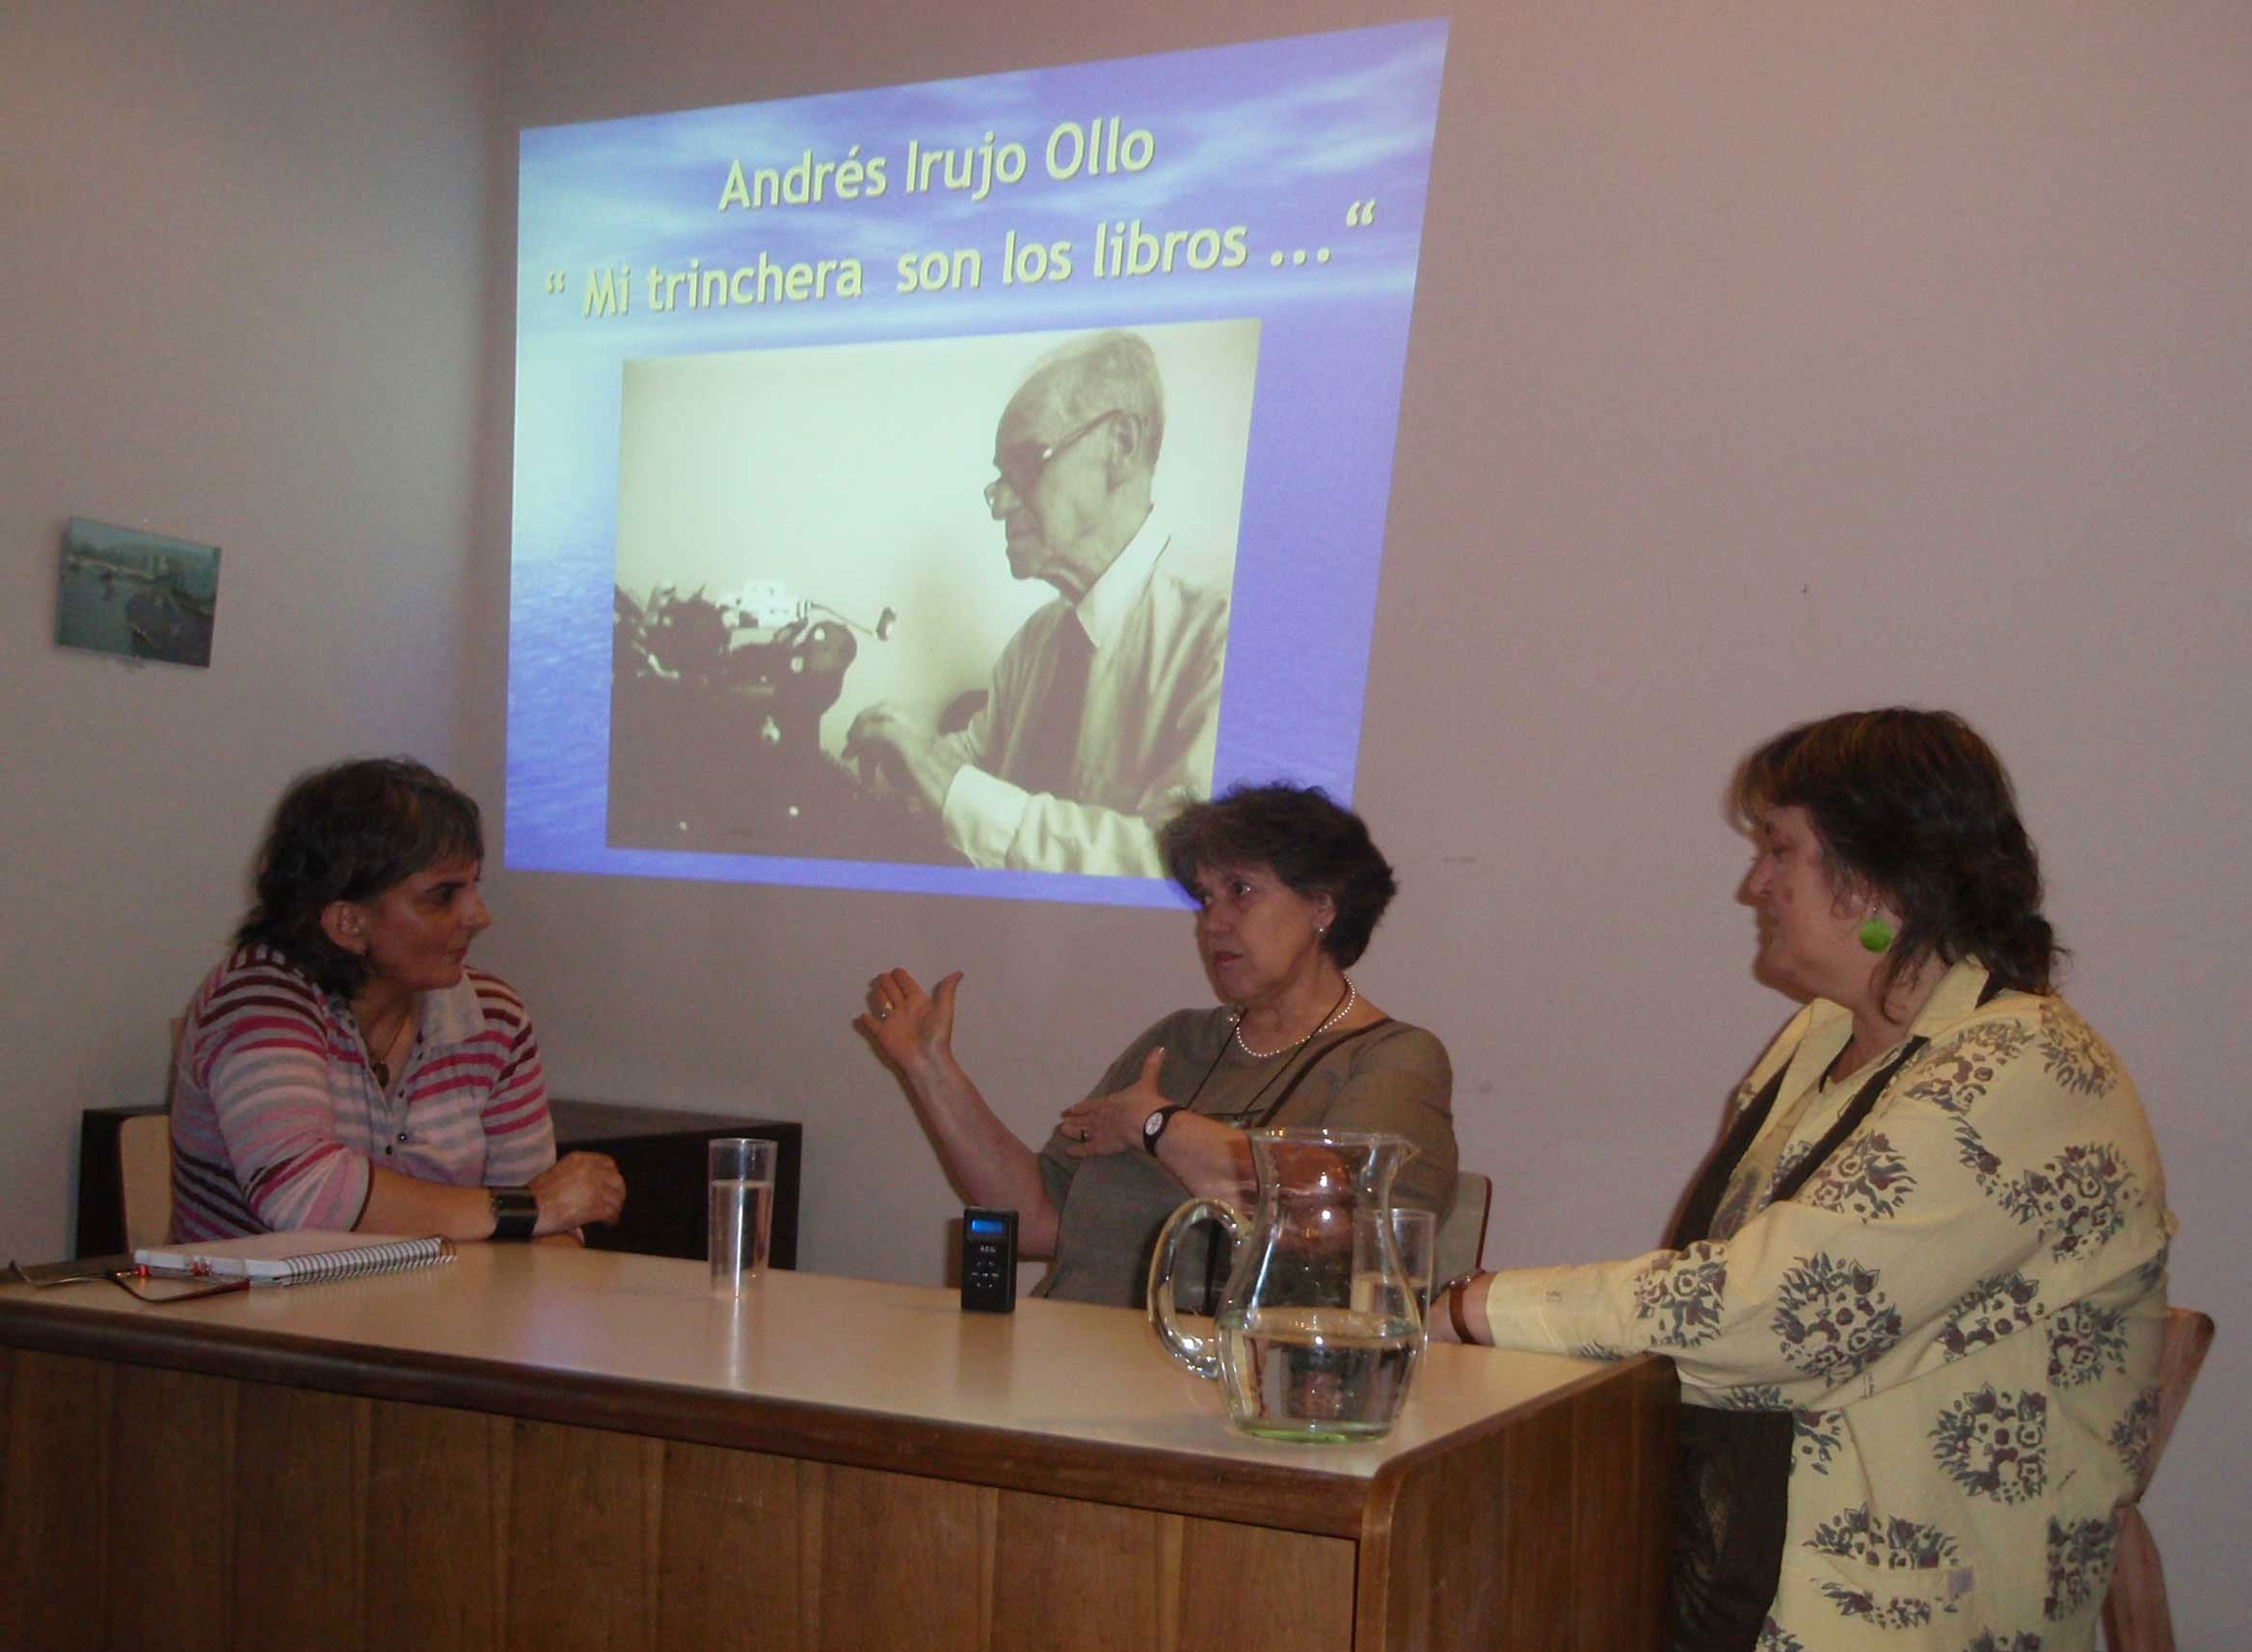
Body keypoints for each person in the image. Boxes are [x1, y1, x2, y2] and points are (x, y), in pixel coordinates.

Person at [1435, 710, 2172, 1652]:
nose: (1754, 884)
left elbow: (1775, 1315)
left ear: (1873, 874)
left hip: (1905, 1619)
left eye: (1778, 849)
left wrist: (1472, 1306)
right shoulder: (1820, 1037)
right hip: (1738, 1582)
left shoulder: (2028, 1070)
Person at [857, 783, 1455, 1307]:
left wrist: (1154, 1126)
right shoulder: (1179, 1041)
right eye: (1205, 898)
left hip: (1218, 1385)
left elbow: (1331, 1219)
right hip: (1065, 1352)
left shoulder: (1392, 1057)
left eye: (1241, 891)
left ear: (1323, 905)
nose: (1212, 922)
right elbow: (1038, 1218)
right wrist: (930, 1068)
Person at [168, 758, 625, 1243]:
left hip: (444, 1313)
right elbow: (303, 1193)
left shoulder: (495, 1016)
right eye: (443, 896)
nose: (479, 916)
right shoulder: (257, 1001)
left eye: (474, 886)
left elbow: (547, 1226)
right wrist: (525, 1208)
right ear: (347, 921)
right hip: (257, 1316)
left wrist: (545, 1223)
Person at [844, 330, 1229, 878]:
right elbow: (972, 762)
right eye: (999, 476)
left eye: (1025, 463)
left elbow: (1179, 868)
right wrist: (904, 759)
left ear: (1120, 445)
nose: (998, 502)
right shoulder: (1033, 644)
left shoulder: (1225, 634)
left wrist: (942, 780)